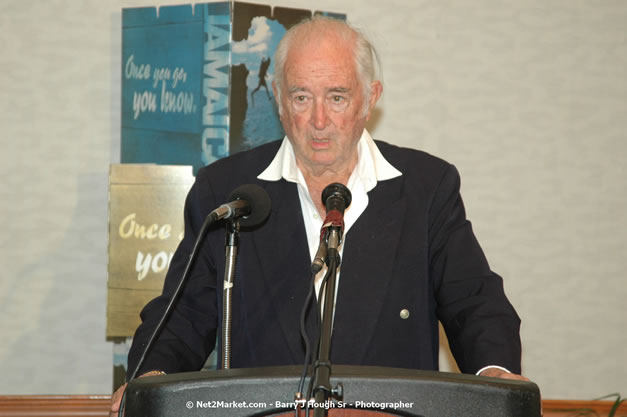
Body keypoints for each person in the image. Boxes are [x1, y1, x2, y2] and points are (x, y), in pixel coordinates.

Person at [110, 16, 528, 416]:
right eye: (301, 97)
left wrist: (495, 378)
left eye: (337, 97)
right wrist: (151, 379)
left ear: (370, 98)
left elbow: (474, 300)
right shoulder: (229, 189)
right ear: (277, 97)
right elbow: (183, 312)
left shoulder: (425, 188)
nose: (319, 121)